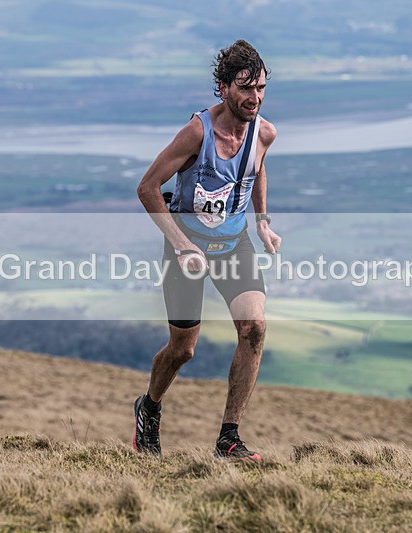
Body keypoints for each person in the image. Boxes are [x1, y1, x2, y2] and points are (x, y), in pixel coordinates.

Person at [134, 40, 280, 461]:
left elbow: (257, 168)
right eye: (245, 88)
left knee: (254, 328)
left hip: (234, 244)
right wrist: (180, 246)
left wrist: (263, 222)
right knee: (183, 349)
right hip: (187, 249)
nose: (254, 98)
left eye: (261, 89)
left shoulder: (264, 133)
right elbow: (147, 189)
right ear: (223, 89)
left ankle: (228, 439)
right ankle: (150, 408)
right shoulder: (197, 133)